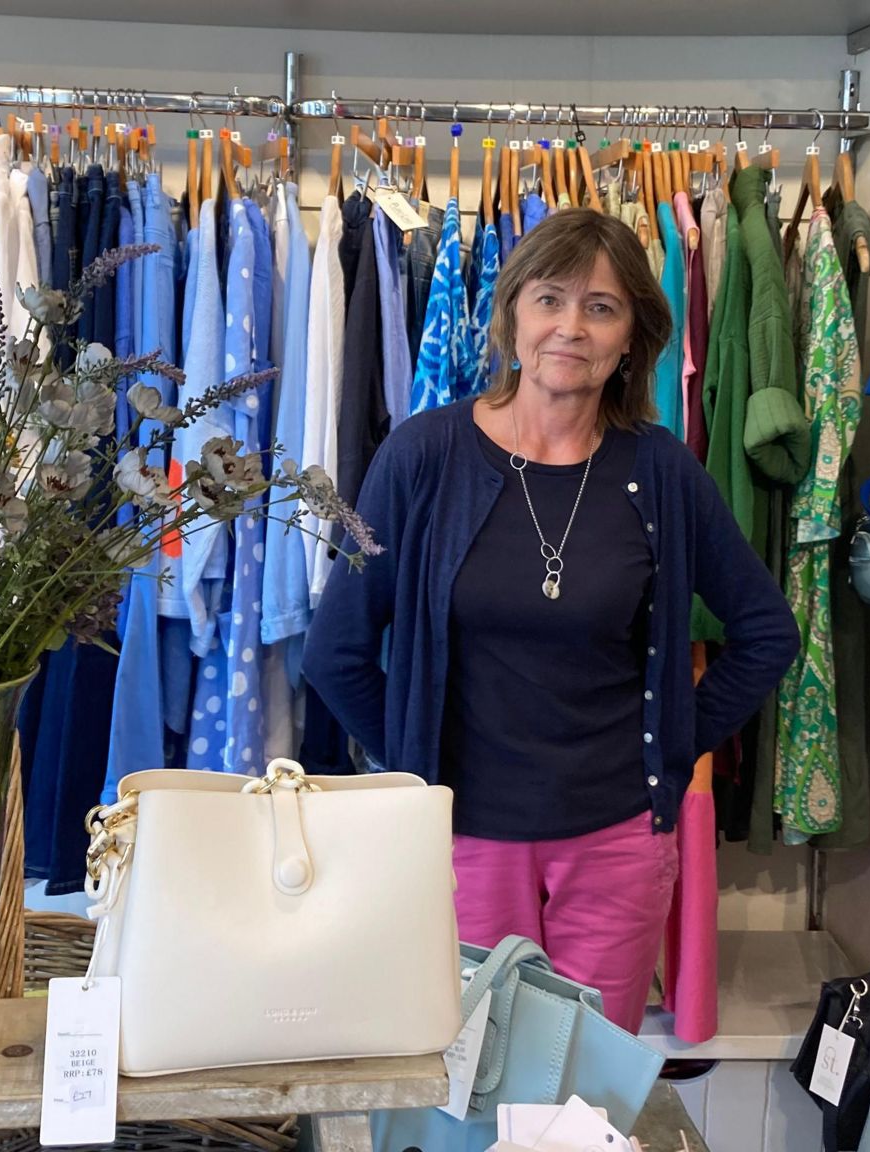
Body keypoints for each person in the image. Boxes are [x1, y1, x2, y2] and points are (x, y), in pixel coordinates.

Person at [304, 209, 799, 1032]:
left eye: (601, 308)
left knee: (584, 1091)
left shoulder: (661, 471)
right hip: (463, 842)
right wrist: (416, 756)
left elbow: (767, 634)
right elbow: (336, 652)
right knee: (465, 1082)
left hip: (616, 842)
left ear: (633, 335)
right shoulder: (423, 457)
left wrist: (673, 747)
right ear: (512, 316)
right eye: (550, 299)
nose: (571, 326)